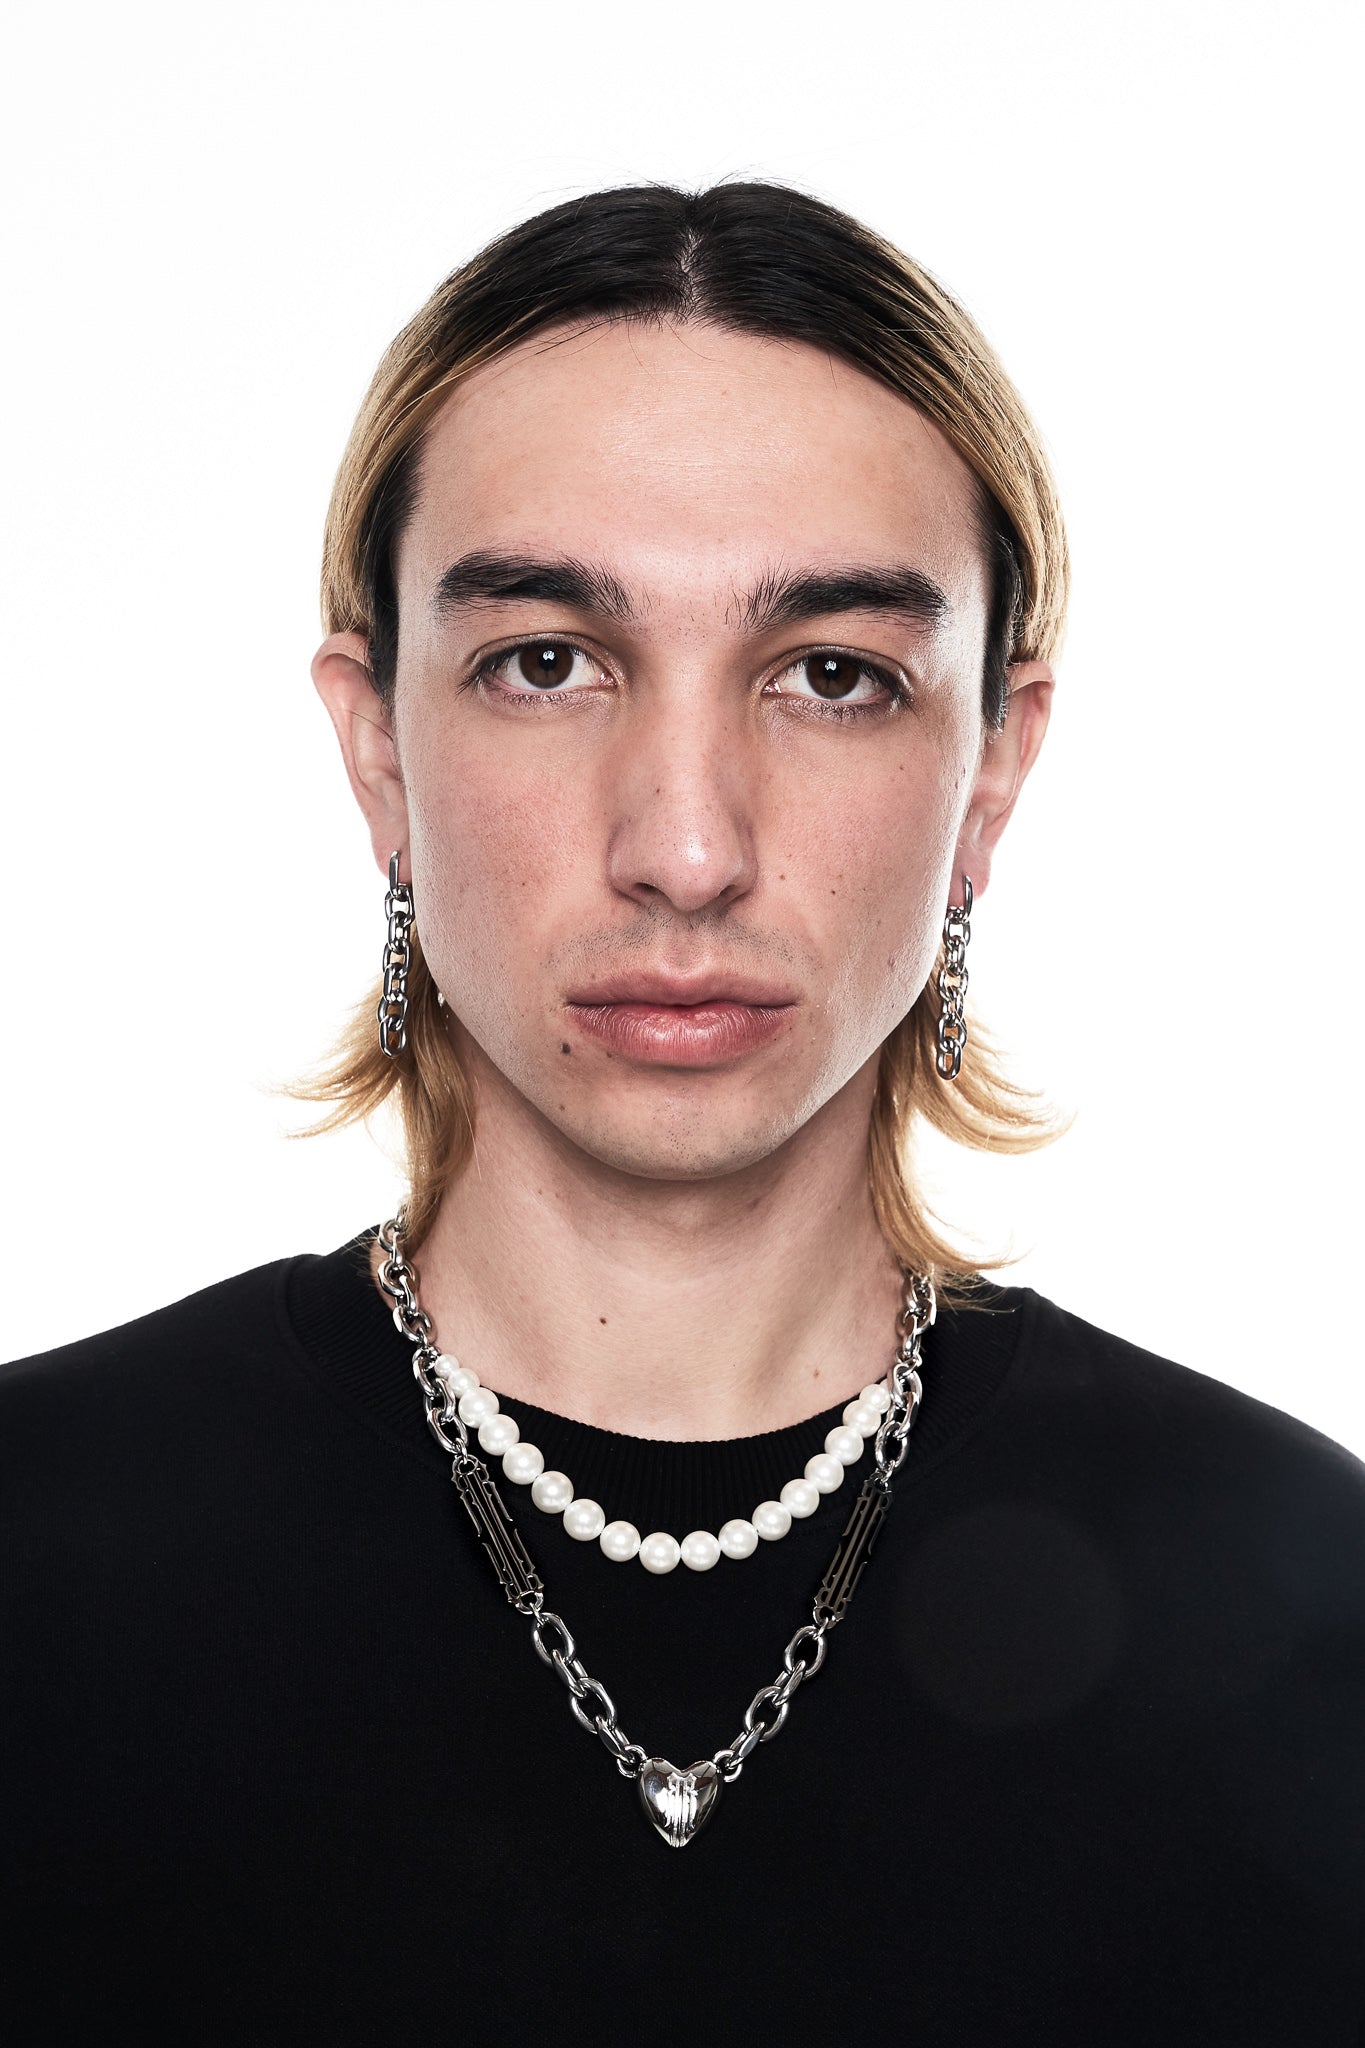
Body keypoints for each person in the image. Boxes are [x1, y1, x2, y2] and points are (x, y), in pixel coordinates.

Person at [3, 181, 1363, 2046]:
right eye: (545, 660)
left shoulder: (1307, 1610)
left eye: (831, 676)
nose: (688, 848)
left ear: (991, 770)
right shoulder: (36, 1554)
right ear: (378, 747)